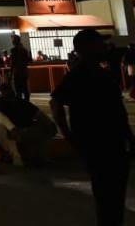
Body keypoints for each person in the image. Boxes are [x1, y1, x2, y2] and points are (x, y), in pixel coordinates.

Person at [51, 29, 135, 226]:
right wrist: (69, 135)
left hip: (114, 140)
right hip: (96, 142)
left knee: (115, 194)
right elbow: (56, 103)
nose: (104, 47)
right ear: (87, 48)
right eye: (99, 43)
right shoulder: (79, 75)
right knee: (107, 194)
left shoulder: (103, 74)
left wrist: (129, 137)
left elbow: (118, 111)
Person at [0, 83, 56, 166]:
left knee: (45, 126)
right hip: (8, 135)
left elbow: (38, 114)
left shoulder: (21, 102)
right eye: (4, 90)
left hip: (22, 131)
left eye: (8, 89)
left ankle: (41, 156)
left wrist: (50, 124)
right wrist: (12, 128)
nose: (7, 92)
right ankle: (15, 156)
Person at [9, 34, 32, 101]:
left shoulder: (13, 50)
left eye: (12, 40)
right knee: (25, 88)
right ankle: (27, 102)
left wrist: (11, 74)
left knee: (18, 89)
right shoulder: (24, 50)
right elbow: (27, 61)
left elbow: (13, 63)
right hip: (24, 71)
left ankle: (19, 103)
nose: (12, 41)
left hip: (17, 72)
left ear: (14, 41)